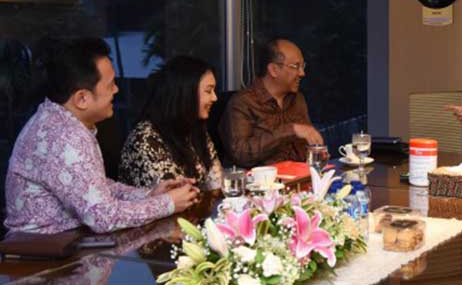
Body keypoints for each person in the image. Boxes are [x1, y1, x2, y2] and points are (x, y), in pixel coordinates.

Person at [4, 38, 199, 235]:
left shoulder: (58, 120)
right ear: (82, 98)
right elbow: (103, 217)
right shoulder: (64, 137)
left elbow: (95, 188)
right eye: (110, 84)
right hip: (42, 250)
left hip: (63, 243)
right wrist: (168, 203)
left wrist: (150, 194)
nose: (116, 90)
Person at [119, 56, 223, 191]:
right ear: (186, 93)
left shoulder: (194, 127)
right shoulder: (145, 139)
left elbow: (216, 182)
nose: (215, 98)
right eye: (208, 91)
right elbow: (171, 197)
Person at [220, 38, 323, 167]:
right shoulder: (242, 103)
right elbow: (241, 155)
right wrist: (289, 130)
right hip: (263, 178)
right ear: (273, 70)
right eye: (295, 66)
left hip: (300, 174)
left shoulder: (297, 99)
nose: (302, 73)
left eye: (303, 66)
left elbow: (309, 143)